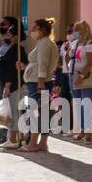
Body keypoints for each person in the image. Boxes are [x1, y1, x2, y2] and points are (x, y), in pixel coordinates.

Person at [22, 18, 60, 152]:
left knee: (35, 112)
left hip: (38, 83)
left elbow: (43, 64)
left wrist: (40, 82)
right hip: (41, 81)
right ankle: (42, 143)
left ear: (42, 30)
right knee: (43, 113)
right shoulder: (44, 43)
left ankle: (32, 143)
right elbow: (40, 64)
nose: (31, 31)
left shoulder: (44, 43)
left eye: (34, 28)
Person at [0, 16, 26, 148]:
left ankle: (13, 139)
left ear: (15, 36)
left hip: (14, 85)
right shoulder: (12, 49)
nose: (7, 35)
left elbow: (12, 71)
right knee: (16, 111)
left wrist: (7, 86)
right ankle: (19, 137)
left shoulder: (17, 50)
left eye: (10, 33)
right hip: (11, 84)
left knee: (15, 112)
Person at [70, 20, 92, 142]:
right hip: (74, 75)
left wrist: (81, 76)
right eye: (74, 29)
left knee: (86, 105)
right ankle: (82, 130)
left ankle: (88, 132)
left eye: (77, 29)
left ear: (84, 30)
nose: (74, 32)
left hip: (85, 77)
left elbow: (89, 63)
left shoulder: (90, 43)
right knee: (78, 105)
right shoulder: (76, 43)